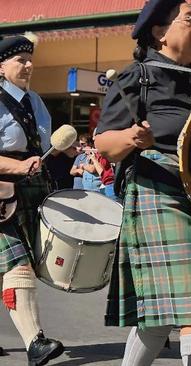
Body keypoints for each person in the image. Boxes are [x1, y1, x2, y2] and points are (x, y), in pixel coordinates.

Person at [94, 1, 191, 365]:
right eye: (190, 19)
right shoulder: (136, 77)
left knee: (166, 314)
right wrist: (133, 138)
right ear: (160, 32)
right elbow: (104, 144)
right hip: (159, 191)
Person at [0, 34, 65, 366]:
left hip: (32, 188)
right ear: (1, 66)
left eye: (29, 59)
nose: (27, 65)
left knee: (16, 264)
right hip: (1, 192)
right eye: (19, 60)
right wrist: (18, 165)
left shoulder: (36, 100)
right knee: (16, 263)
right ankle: (35, 343)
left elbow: (41, 146)